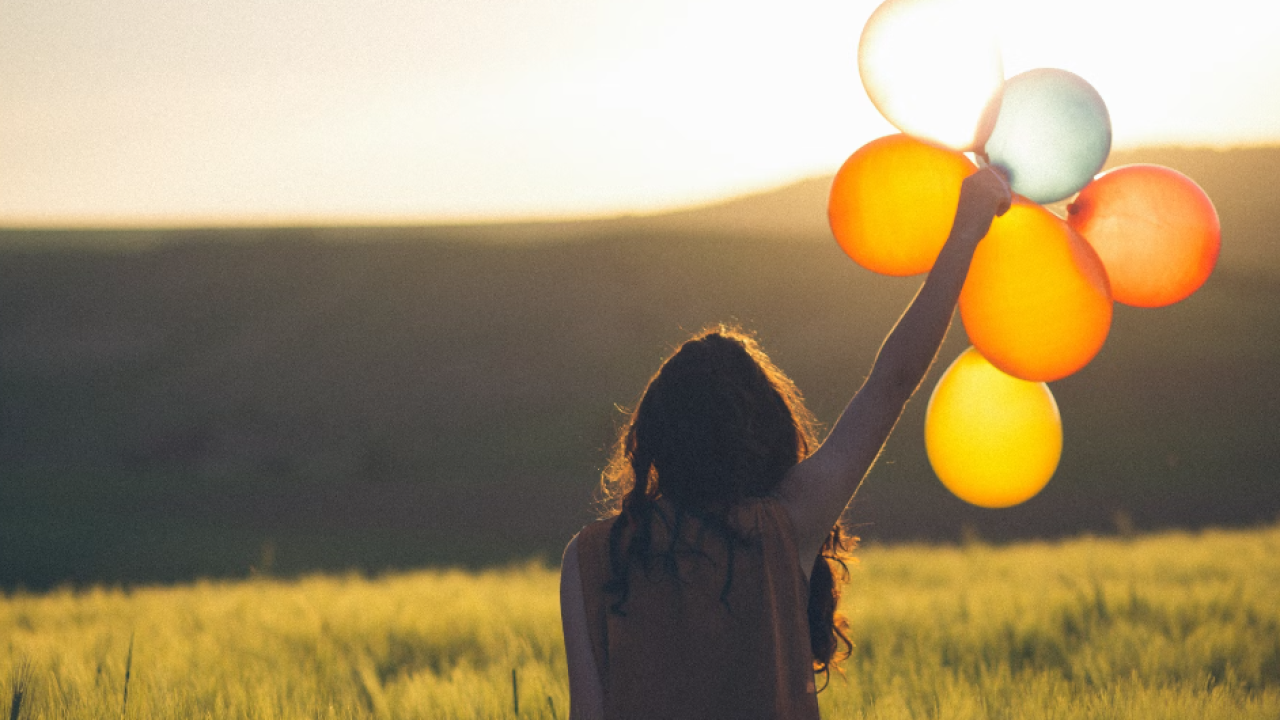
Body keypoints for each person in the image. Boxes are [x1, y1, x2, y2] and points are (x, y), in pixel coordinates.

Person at [560, 166, 1012, 719]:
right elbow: (891, 382)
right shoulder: (782, 527)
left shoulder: (591, 558)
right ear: (763, 433)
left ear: (654, 437)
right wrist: (965, 231)